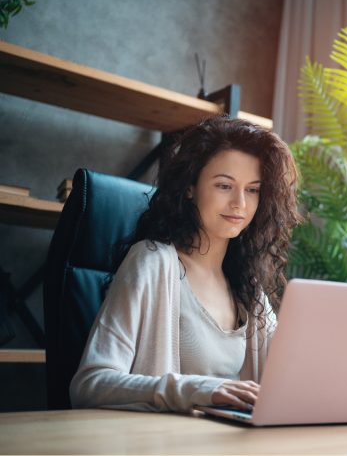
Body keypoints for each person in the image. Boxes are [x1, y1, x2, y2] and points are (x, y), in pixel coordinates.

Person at [70, 116, 301, 413]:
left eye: (253, 189)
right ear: (190, 187)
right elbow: (90, 384)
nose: (240, 204)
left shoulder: (247, 287)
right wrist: (200, 389)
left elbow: (290, 378)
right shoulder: (151, 261)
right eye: (224, 185)